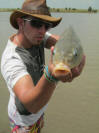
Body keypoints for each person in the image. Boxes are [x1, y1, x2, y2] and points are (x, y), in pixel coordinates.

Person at [1, 0, 85, 133]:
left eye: (47, 26)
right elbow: (31, 105)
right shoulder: (11, 59)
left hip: (39, 113)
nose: (42, 30)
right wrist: (51, 75)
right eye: (36, 23)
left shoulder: (37, 36)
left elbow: (64, 43)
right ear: (20, 23)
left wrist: (76, 53)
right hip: (23, 123)